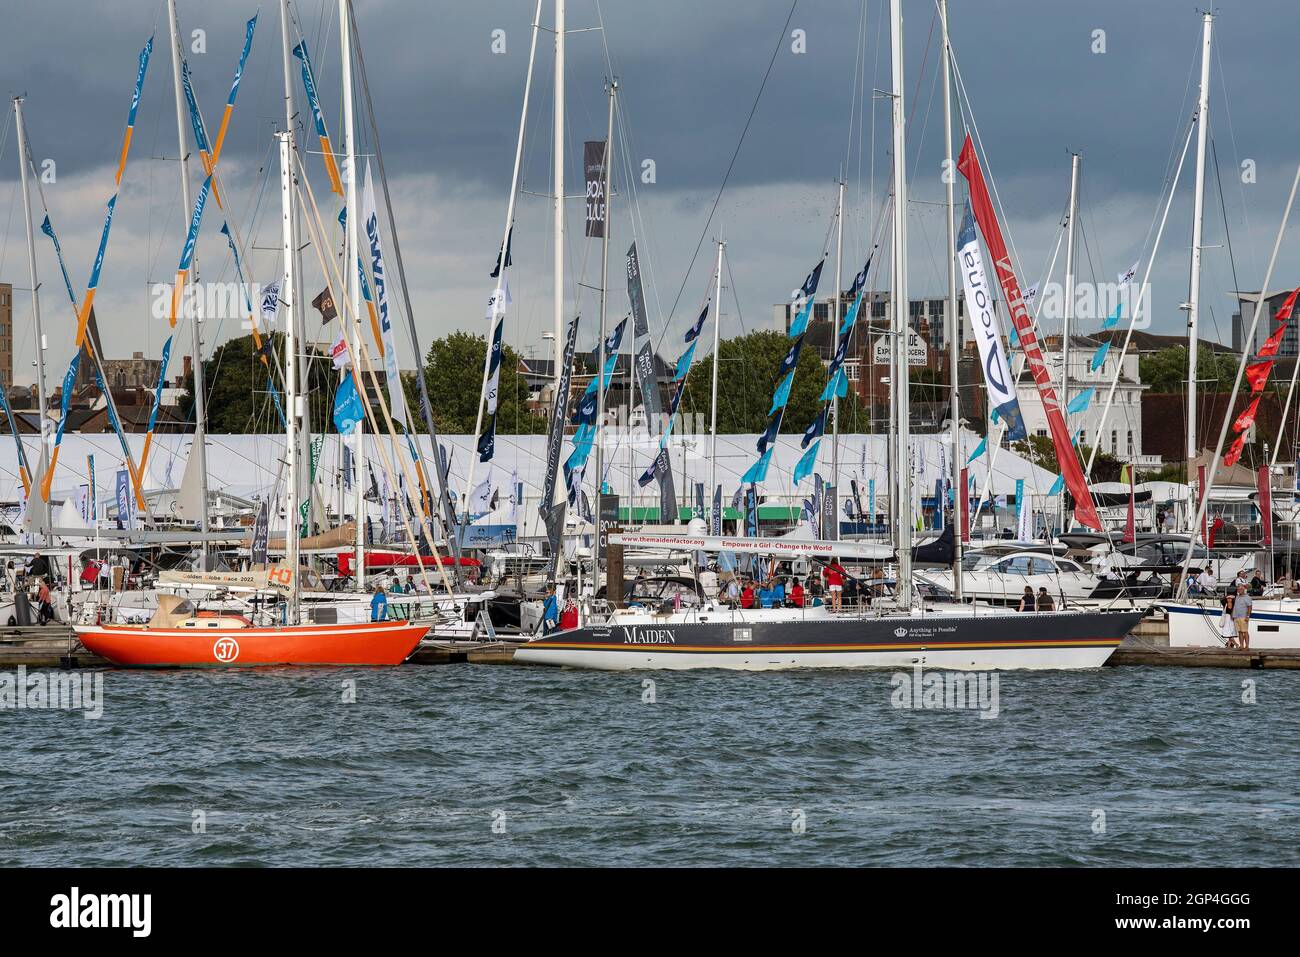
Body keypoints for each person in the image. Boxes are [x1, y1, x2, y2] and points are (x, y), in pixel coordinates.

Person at [1231, 584, 1252, 650]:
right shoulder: (1237, 597)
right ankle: (1241, 645)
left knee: (1245, 631)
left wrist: (1248, 616)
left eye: (1240, 589)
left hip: (1243, 616)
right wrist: (1233, 614)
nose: (1239, 590)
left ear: (1243, 590)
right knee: (1239, 632)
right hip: (1236, 617)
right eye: (1238, 589)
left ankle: (1247, 646)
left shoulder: (1247, 597)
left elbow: (1249, 607)